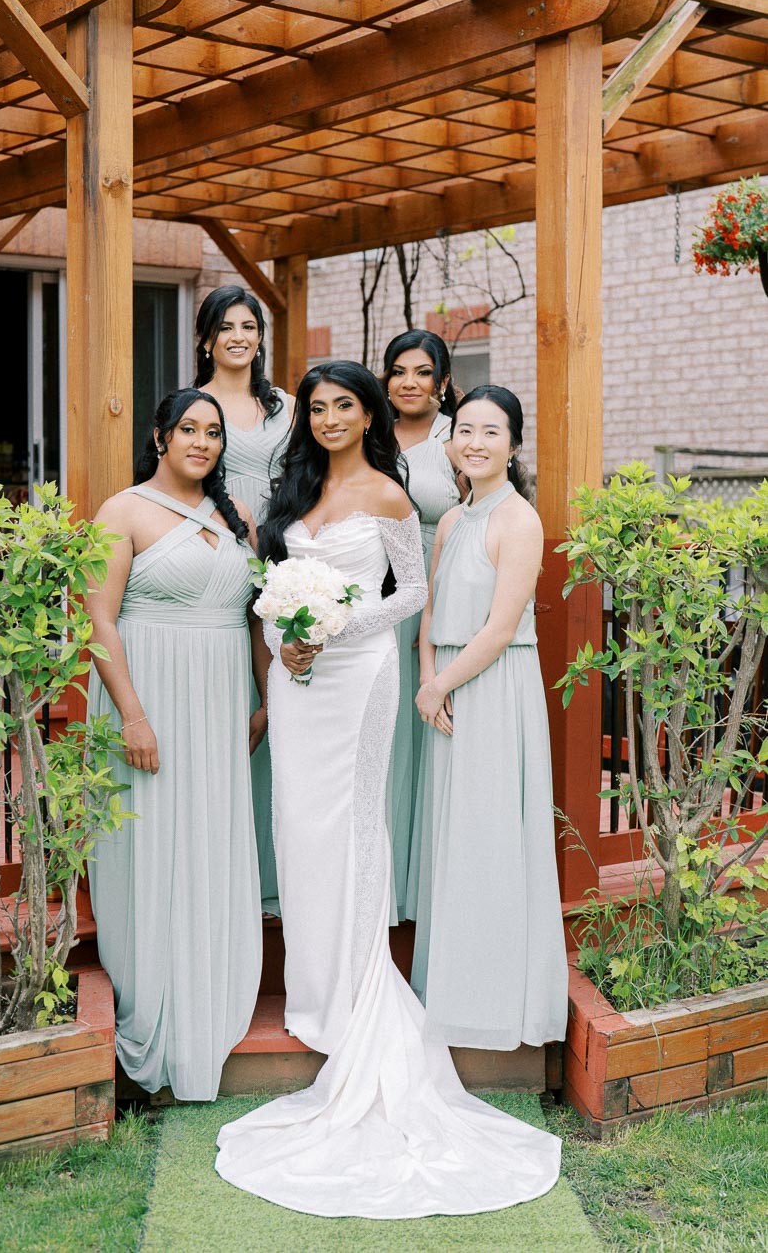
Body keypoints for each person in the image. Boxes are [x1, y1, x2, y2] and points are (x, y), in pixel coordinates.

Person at [215, 363, 561, 1218]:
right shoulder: (293, 493)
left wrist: (331, 625)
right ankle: (313, 995)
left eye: (345, 406)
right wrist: (287, 632)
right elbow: (269, 591)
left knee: (352, 827)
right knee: (297, 826)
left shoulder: (394, 496)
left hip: (359, 678)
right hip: (299, 683)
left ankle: (358, 996)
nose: (331, 418)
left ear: (369, 414)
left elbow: (409, 596)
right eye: (319, 407)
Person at [86, 388, 265, 1101]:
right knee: (153, 838)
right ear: (160, 436)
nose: (202, 441)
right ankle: (156, 991)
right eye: (188, 428)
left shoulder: (240, 518)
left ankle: (208, 982)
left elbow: (256, 617)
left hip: (223, 700)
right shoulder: (122, 511)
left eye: (214, 432)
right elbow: (99, 617)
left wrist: (264, 699)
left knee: (211, 835)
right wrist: (132, 715)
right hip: (151, 691)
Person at [411, 385, 568, 1051]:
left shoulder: (518, 520)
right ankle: (447, 990)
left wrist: (440, 682)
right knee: (451, 841)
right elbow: (428, 612)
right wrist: (428, 680)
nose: (475, 442)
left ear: (514, 443)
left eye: (492, 431)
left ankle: (493, 998)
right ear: (451, 442)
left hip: (493, 690)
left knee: (489, 837)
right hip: (445, 690)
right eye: (465, 429)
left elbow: (501, 628)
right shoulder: (451, 522)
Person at [193, 286, 293, 916]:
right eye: (226, 326)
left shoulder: (282, 403)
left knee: (280, 685)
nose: (239, 336)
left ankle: (272, 874)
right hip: (220, 540)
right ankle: (221, 872)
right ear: (206, 338)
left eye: (249, 326)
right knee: (231, 684)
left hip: (284, 543)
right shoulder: (196, 404)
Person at [380, 329, 461, 922]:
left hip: (440, 593)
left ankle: (426, 886)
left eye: (422, 371)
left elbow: (478, 518)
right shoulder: (366, 433)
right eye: (398, 370)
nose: (409, 382)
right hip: (375, 596)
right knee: (383, 736)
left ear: (443, 381)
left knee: (429, 733)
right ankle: (382, 884)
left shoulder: (458, 438)